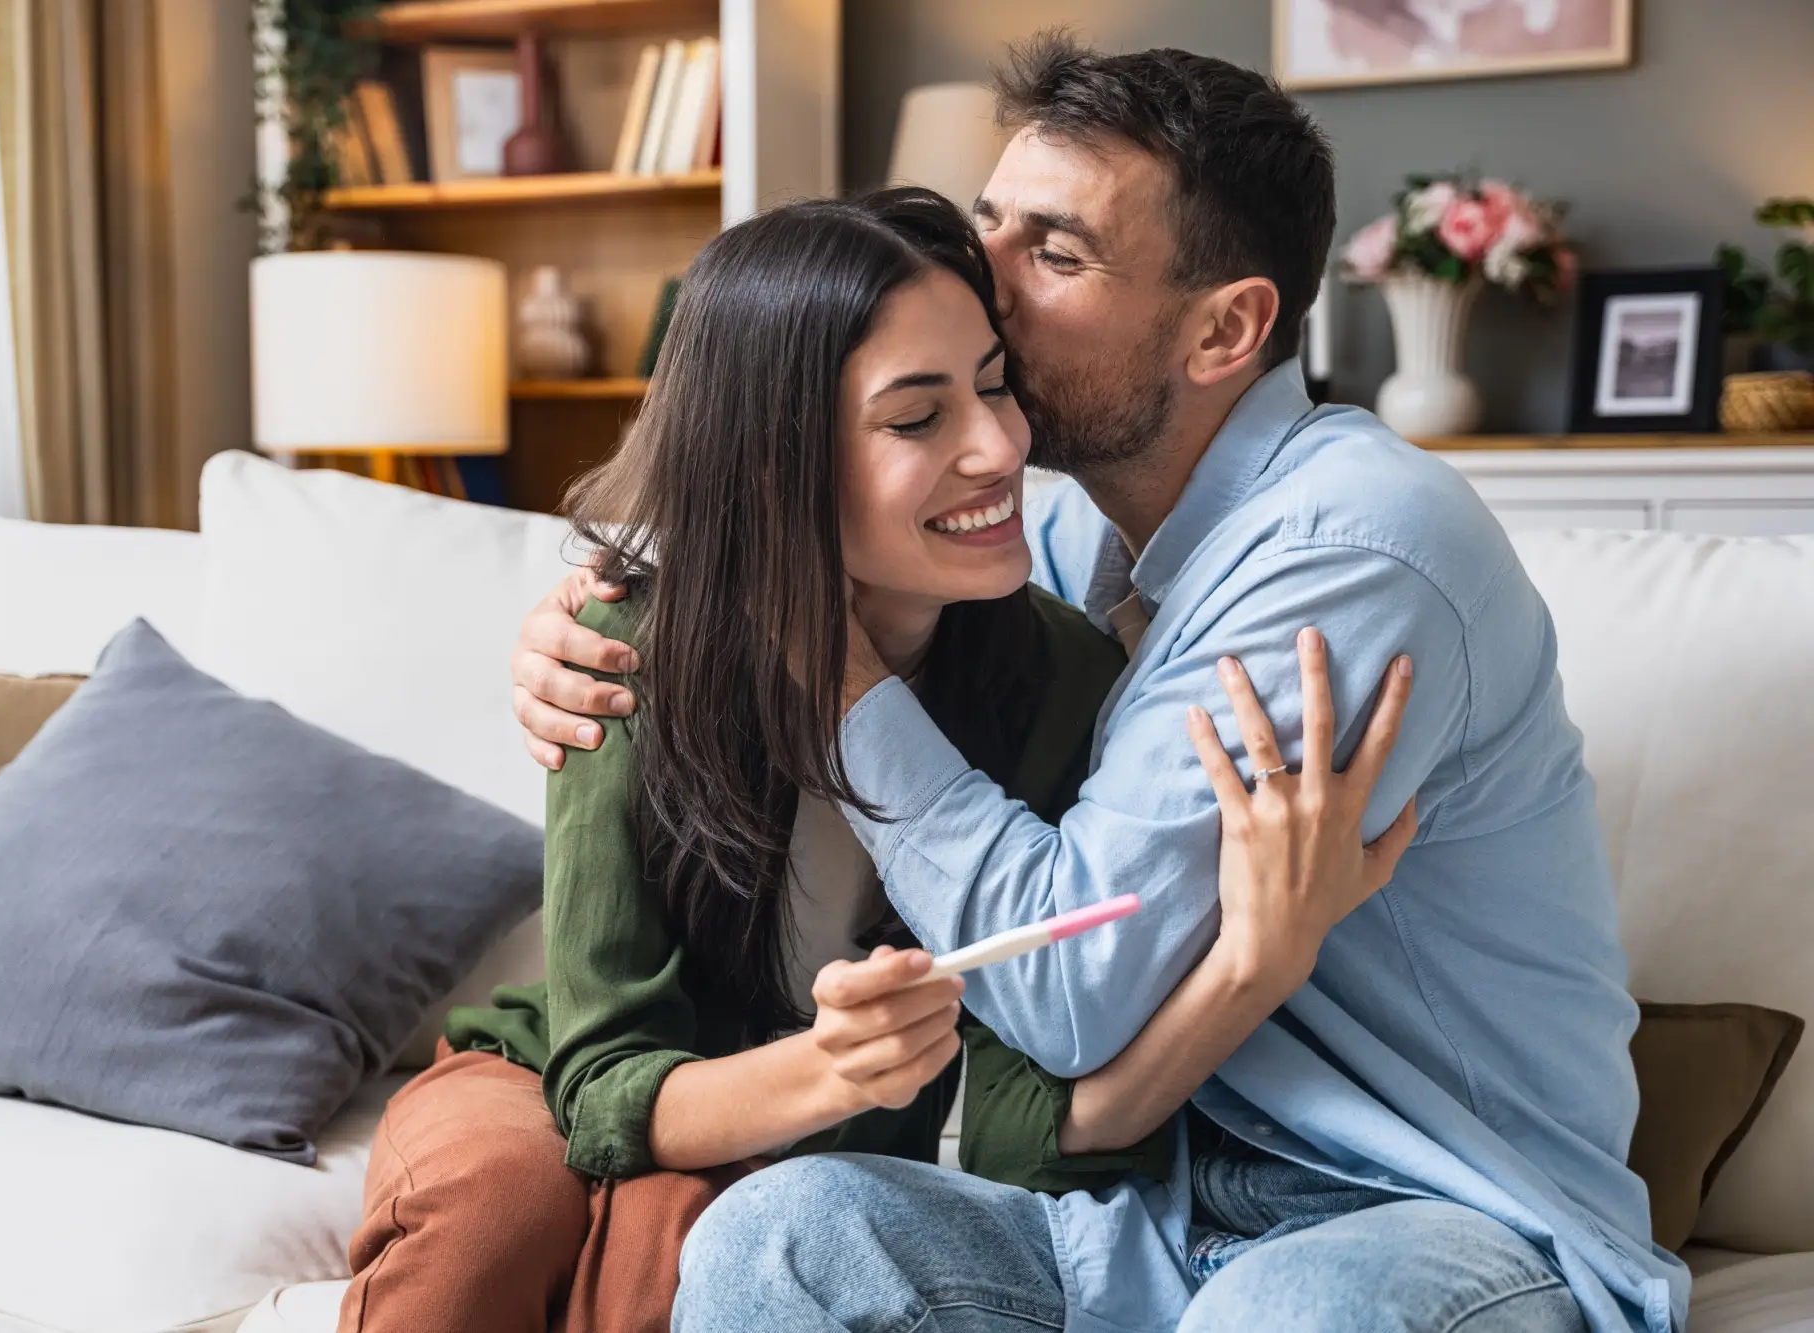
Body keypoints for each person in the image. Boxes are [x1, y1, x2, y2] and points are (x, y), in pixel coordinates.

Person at [512, 37, 1687, 1333]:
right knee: (784, 1239)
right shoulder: (1073, 539)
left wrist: (841, 688)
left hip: (1433, 1218)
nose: (985, 285)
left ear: (1226, 327)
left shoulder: (1351, 553)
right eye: (991, 225)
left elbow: (1071, 992)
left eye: (1054, 256)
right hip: (1146, 1206)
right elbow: (811, 494)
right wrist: (613, 615)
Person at [339, 187, 1416, 1333]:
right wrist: (833, 1069)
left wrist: (1255, 956)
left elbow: (1016, 1131)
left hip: (802, 1153)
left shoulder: (1058, 680)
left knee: (688, 1240)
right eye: (916, 418)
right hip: (555, 1075)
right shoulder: (623, 649)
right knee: (490, 1205)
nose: (1001, 446)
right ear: (774, 463)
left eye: (994, 385)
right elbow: (603, 1082)